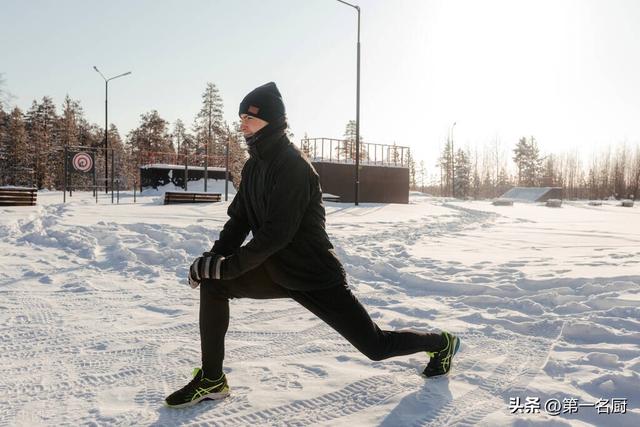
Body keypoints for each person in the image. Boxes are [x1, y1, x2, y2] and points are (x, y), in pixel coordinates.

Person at [165, 82, 460, 408]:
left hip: (313, 274)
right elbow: (239, 221)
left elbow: (276, 235)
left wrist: (227, 266)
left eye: (249, 117)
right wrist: (213, 260)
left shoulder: (293, 166)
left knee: (376, 347)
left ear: (272, 121)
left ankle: (441, 342)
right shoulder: (253, 167)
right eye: (241, 118)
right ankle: (212, 379)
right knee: (214, 285)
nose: (242, 124)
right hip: (275, 269)